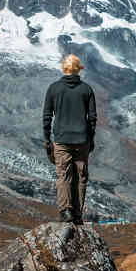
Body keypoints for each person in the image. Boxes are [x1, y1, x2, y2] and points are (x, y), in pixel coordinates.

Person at [41, 53, 97, 224]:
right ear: (78, 70)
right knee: (81, 177)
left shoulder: (54, 88)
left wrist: (47, 139)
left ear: (63, 69)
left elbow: (47, 116)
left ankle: (66, 211)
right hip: (82, 140)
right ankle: (78, 215)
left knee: (63, 176)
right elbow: (93, 118)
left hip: (61, 140)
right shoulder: (86, 89)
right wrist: (90, 138)